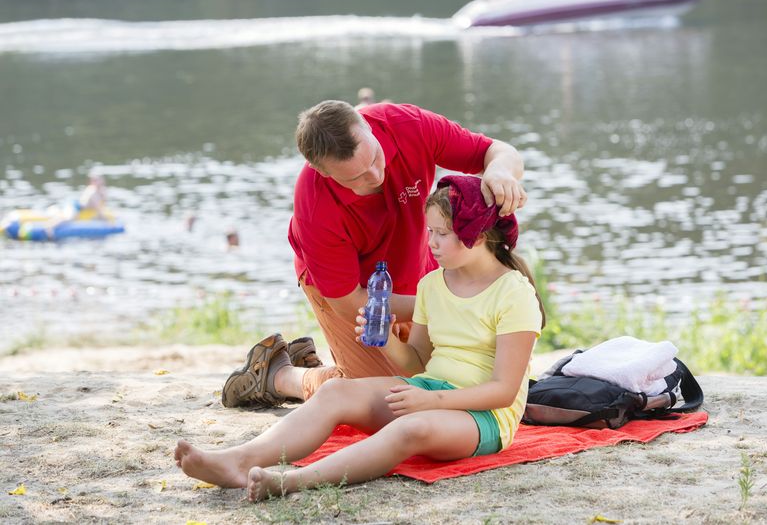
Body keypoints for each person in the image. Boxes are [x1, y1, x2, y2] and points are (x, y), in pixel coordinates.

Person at [175, 175, 545, 500]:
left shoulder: (513, 293)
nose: (430, 242)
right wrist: (386, 339)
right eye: (429, 231)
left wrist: (432, 400)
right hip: (430, 389)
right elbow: (417, 362)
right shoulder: (433, 284)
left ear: (477, 235)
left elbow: (504, 390)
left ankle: (291, 482)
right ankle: (238, 461)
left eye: (442, 234)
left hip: (485, 417)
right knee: (335, 391)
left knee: (410, 427)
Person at [220, 100, 527, 409]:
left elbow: (498, 151)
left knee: (452, 374)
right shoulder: (314, 204)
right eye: (357, 177)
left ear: (367, 124)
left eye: (376, 158)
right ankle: (280, 375)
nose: (377, 175)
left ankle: (329, 361)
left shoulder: (407, 124)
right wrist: (441, 303)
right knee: (384, 398)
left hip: (415, 264)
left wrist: (500, 171)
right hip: (357, 292)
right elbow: (348, 301)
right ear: (321, 171)